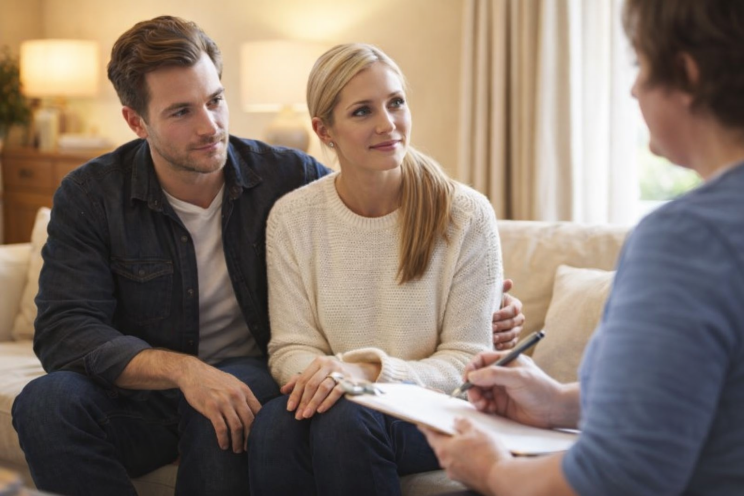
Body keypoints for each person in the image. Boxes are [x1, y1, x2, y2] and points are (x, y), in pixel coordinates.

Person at [10, 16, 523, 496]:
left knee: (240, 400)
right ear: (135, 121)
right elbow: (64, 330)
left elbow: (373, 223)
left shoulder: (288, 178)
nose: (209, 125)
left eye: (215, 99)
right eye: (181, 111)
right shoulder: (91, 194)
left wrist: (486, 314)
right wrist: (185, 372)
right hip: (145, 393)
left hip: (247, 377)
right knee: (45, 403)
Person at [421, 1, 744, 495]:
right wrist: (560, 402)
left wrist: (488, 469)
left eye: (640, 65)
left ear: (686, 72)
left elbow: (614, 479)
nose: (633, 88)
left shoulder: (688, 240)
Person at [247, 43, 504, 496]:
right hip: (344, 405)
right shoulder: (292, 217)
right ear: (324, 130)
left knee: (346, 420)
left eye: (396, 102)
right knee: (272, 425)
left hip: (439, 411)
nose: (388, 124)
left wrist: (368, 372)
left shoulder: (465, 214)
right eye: (363, 111)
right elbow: (290, 346)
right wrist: (332, 379)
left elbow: (468, 358)